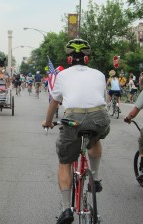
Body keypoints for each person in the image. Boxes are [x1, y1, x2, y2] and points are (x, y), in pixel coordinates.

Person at [41, 39, 110, 224]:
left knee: (65, 161)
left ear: (69, 59)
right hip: (99, 117)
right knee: (95, 140)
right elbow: (102, 99)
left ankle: (66, 210)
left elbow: (54, 102)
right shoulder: (100, 74)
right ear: (87, 59)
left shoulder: (62, 76)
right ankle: (94, 178)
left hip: (74, 119)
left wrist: (47, 122)